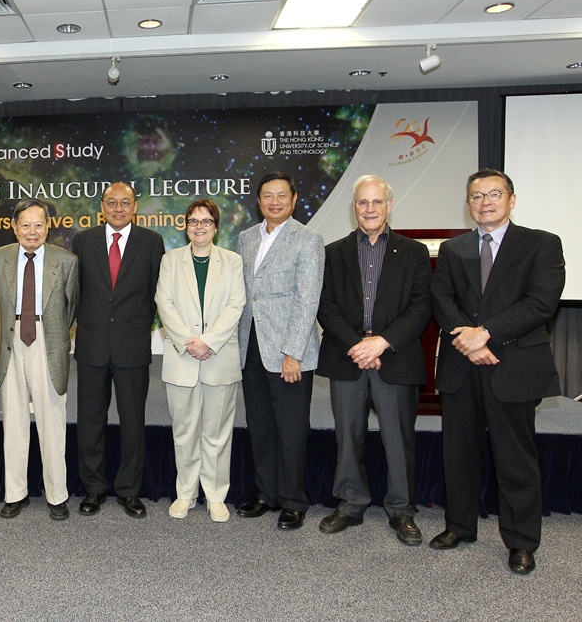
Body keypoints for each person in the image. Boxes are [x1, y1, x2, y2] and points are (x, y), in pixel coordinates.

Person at [430, 169, 564, 575]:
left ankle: (522, 542)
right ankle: (459, 527)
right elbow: (442, 300)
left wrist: (485, 335)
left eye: (494, 194)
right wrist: (468, 341)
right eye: (476, 196)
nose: (485, 202)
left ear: (511, 199)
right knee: (458, 454)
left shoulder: (541, 244)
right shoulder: (454, 249)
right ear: (468, 203)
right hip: (461, 366)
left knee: (515, 458)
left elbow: (541, 303)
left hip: (513, 365)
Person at [316, 176, 431, 544]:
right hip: (347, 357)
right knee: (347, 437)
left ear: (389, 205)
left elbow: (420, 307)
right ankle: (351, 503)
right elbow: (326, 306)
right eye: (363, 203)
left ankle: (400, 509)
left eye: (376, 202)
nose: (369, 209)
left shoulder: (413, 252)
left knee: (398, 439)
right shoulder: (333, 252)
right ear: (354, 208)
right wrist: (357, 345)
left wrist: (380, 343)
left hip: (393, 358)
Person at [235, 171, 324, 530]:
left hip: (288, 351)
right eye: (268, 196)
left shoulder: (308, 239)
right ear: (258, 201)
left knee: (290, 428)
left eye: (281, 196)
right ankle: (265, 493)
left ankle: (293, 499)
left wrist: (294, 352)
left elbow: (308, 299)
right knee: (260, 424)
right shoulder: (245, 238)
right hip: (251, 345)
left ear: (294, 198)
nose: (275, 202)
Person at [72, 182, 164, 518]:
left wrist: (139, 325)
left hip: (132, 346)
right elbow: (76, 291)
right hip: (92, 345)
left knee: (132, 422)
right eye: (112, 202)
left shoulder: (152, 243)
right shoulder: (83, 241)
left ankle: (129, 490)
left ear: (135, 206)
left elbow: (158, 293)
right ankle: (93, 488)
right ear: (102, 205)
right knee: (90, 421)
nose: (118, 208)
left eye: (125, 202)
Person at [154, 199, 244, 523]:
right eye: (193, 221)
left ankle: (216, 495)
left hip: (220, 359)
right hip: (182, 359)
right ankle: (186, 494)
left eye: (206, 221)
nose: (199, 227)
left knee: (217, 433)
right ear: (186, 226)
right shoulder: (170, 260)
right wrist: (189, 342)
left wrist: (209, 342)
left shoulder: (232, 261)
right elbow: (163, 302)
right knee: (185, 432)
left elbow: (236, 305)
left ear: (216, 227)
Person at [0, 199, 79, 521]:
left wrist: (50, 332)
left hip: (48, 342)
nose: (32, 231)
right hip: (9, 342)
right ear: (14, 227)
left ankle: (57, 495)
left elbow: (72, 308)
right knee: (13, 422)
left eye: (38, 224)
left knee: (52, 421)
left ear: (48, 227)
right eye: (25, 225)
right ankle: (16, 493)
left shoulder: (66, 261)